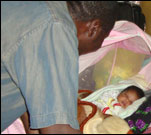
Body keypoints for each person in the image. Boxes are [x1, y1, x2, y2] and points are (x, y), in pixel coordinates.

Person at [1, 1, 119, 134]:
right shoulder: (55, 28)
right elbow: (60, 129)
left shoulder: (37, 9)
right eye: (103, 38)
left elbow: (27, 88)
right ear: (94, 29)